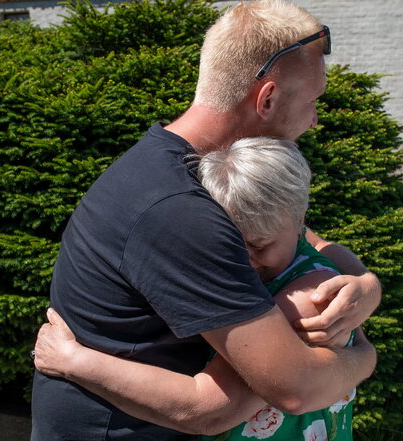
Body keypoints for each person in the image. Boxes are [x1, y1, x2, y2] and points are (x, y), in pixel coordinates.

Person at [30, 1, 381, 439]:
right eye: (313, 101)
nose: (314, 120)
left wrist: (367, 287)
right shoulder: (181, 210)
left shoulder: (182, 168)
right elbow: (295, 390)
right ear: (267, 98)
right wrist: (366, 355)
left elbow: (304, 236)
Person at [34, 138, 360, 440]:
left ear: (300, 217)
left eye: (260, 245)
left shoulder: (309, 297)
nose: (245, 261)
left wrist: (74, 360)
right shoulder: (281, 227)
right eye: (232, 245)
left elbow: (207, 409)